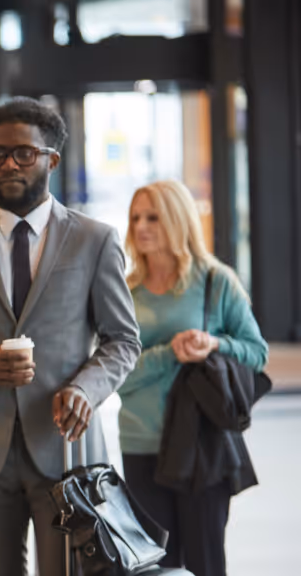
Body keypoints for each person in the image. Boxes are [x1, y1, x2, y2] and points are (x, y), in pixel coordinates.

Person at [0, 97, 141, 576]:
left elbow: (122, 340)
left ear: (51, 160)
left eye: (24, 153)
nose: (9, 165)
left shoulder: (94, 240)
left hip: (65, 449)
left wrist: (85, 389)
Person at [118, 180, 268, 576]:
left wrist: (214, 344)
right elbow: (117, 375)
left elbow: (257, 352)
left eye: (153, 217)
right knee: (153, 566)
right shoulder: (125, 290)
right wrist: (170, 353)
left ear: (178, 219)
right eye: (135, 218)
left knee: (206, 564)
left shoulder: (216, 281)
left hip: (202, 445)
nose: (141, 227)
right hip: (140, 443)